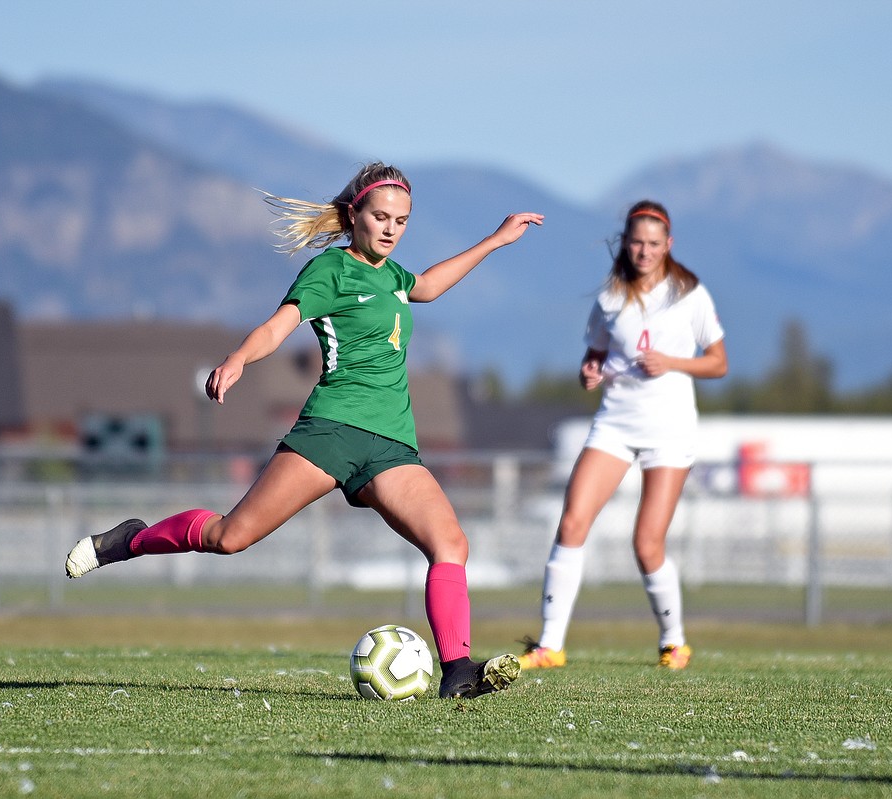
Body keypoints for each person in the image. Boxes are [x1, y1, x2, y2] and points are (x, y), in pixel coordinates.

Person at [65, 162, 544, 699]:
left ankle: (457, 671)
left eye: (402, 221)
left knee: (451, 544)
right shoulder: (330, 271)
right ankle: (130, 540)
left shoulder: (393, 277)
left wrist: (497, 240)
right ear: (353, 215)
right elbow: (279, 325)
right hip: (331, 431)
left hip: (392, 446)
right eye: (381, 217)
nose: (390, 229)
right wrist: (240, 358)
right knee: (230, 537)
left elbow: (428, 286)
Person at [518, 200, 726, 672]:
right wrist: (589, 372)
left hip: (670, 429)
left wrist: (673, 363)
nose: (645, 251)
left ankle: (674, 642)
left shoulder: (689, 294)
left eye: (654, 243)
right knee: (572, 523)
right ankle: (550, 645)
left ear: (668, 245)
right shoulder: (610, 297)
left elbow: (719, 362)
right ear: (625, 242)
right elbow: (595, 357)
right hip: (615, 422)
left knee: (647, 543)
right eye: (637, 242)